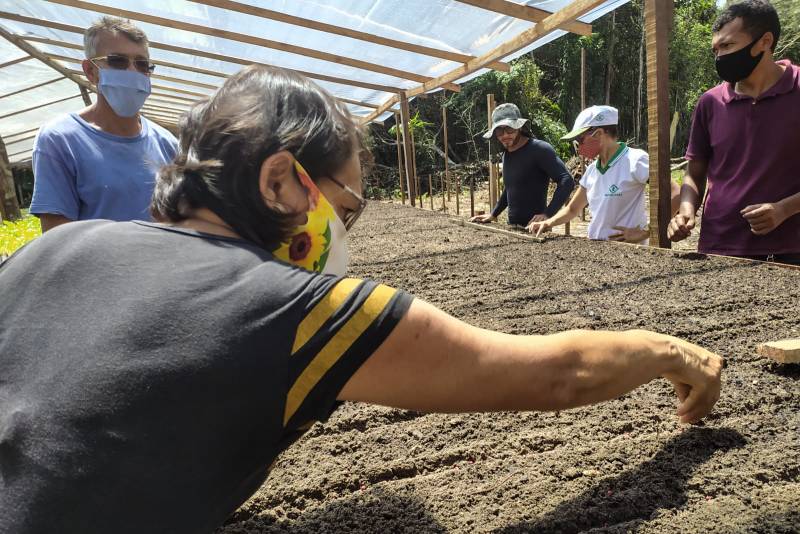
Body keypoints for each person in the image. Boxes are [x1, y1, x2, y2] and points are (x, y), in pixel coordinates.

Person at [0, 66, 722, 533]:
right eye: (344, 211)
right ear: (281, 182)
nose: (343, 234)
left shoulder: (49, 250)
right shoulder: (289, 304)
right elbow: (554, 373)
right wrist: (676, 352)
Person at [669, 0, 800, 265]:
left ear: (765, 41)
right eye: (715, 50)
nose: (720, 58)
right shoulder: (710, 102)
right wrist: (686, 208)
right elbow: (695, 172)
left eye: (728, 46)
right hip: (722, 243)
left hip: (792, 246)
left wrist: (784, 209)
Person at [29, 16, 177, 232]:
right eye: (118, 61)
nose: (132, 72)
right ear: (91, 71)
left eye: (142, 64)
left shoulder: (168, 144)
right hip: (96, 266)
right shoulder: (61, 139)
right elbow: (57, 238)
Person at [530, 106, 679, 244]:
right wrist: (548, 222)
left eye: (580, 140)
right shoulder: (592, 171)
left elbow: (675, 193)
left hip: (630, 253)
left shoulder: (635, 161)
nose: (579, 148)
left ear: (599, 134)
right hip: (597, 249)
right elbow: (573, 209)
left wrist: (647, 231)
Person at [470, 103, 574, 227]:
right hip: (512, 228)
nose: (505, 135)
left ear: (519, 127)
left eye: (509, 129)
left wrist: (547, 214)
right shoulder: (506, 154)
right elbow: (511, 188)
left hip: (536, 230)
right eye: (499, 131)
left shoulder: (539, 149)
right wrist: (494, 214)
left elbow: (566, 180)